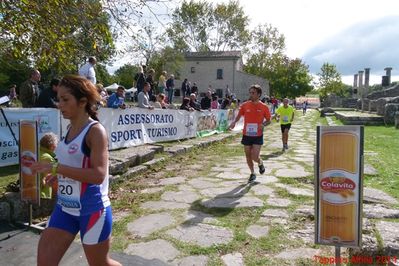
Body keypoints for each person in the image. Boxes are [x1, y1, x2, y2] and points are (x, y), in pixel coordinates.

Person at [29, 75, 120, 266]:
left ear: (83, 102)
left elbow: (98, 175)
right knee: (44, 262)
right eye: (58, 99)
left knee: (100, 264)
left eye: (65, 99)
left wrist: (55, 167)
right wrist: (59, 178)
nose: (59, 104)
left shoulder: (95, 132)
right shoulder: (69, 128)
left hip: (92, 210)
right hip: (65, 208)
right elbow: (73, 167)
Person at [229, 84, 271, 183]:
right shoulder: (245, 105)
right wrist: (234, 122)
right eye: (250, 92)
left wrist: (263, 124)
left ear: (259, 94)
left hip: (258, 135)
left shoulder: (264, 107)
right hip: (247, 134)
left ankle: (260, 162)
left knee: (254, 156)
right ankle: (252, 173)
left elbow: (269, 120)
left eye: (253, 93)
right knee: (248, 156)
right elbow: (239, 116)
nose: (251, 94)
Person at [39, 132, 58, 199]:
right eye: (56, 145)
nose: (56, 147)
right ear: (52, 146)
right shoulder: (48, 158)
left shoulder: (36, 153)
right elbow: (55, 177)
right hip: (43, 194)